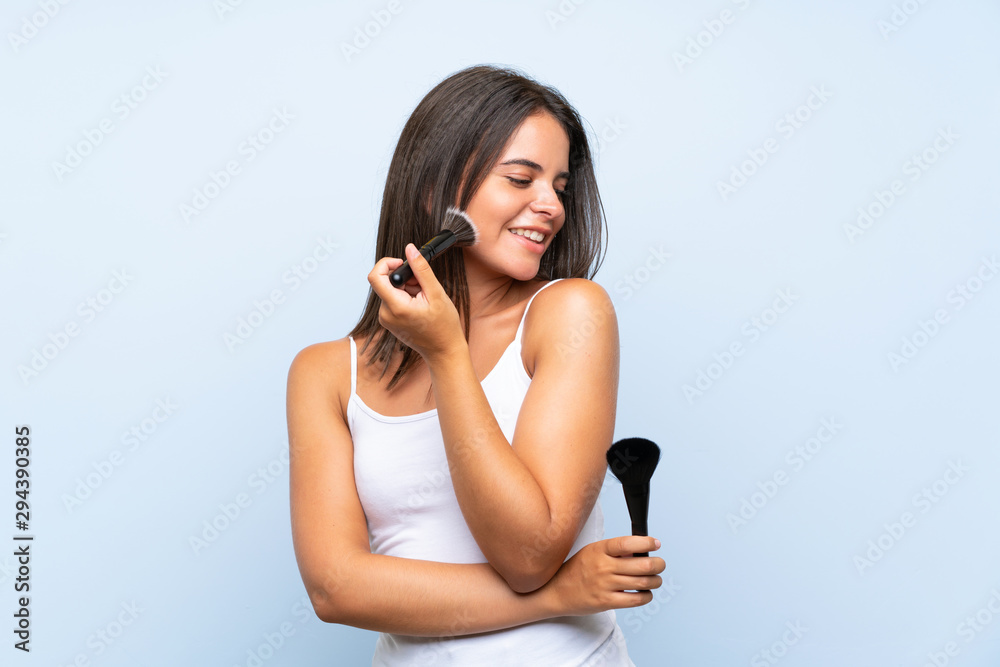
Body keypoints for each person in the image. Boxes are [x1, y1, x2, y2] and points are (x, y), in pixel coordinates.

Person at [287, 64, 665, 666]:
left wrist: (446, 357)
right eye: (520, 179)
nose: (550, 206)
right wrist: (557, 596)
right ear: (435, 190)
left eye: (560, 187)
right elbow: (336, 590)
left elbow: (527, 554)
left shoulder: (569, 313)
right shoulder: (324, 374)